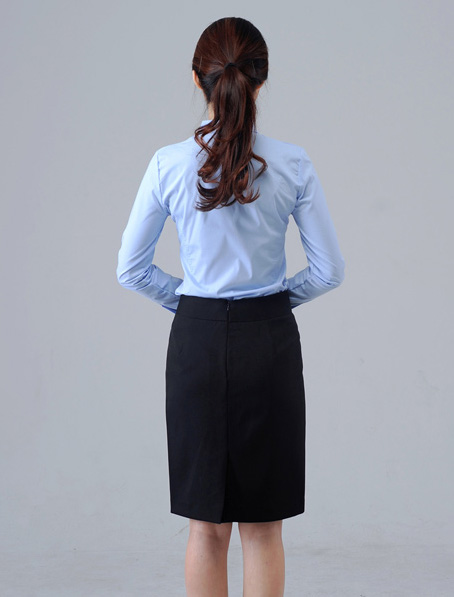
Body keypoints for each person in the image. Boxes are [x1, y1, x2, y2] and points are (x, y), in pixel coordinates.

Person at [116, 16, 345, 597]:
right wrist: (273, 303)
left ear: (196, 78)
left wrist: (190, 303)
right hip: (268, 342)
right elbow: (329, 271)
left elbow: (131, 269)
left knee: (206, 527)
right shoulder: (293, 163)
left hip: (195, 343)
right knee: (263, 529)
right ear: (261, 80)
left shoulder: (167, 164)